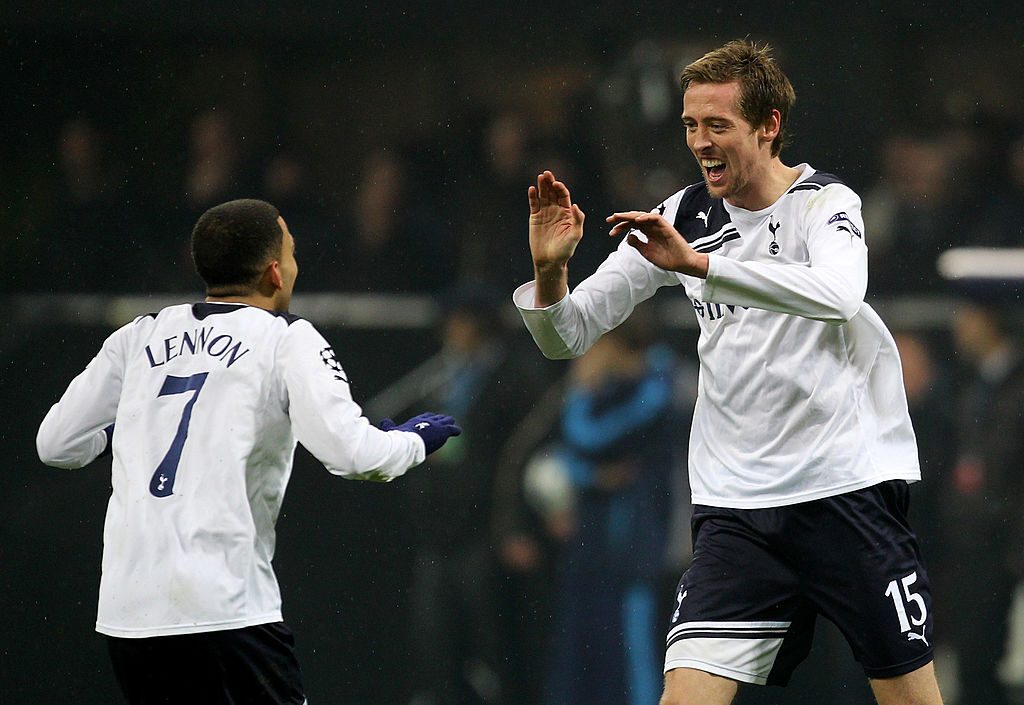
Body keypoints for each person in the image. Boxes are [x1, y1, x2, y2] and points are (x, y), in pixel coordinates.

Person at [513, 39, 944, 705]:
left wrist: (702, 268)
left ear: (768, 126)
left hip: (844, 492)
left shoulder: (824, 204)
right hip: (737, 512)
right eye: (691, 124)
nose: (701, 142)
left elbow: (839, 295)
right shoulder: (682, 217)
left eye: (719, 125)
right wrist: (549, 272)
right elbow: (565, 336)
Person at [35, 198, 462, 705]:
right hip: (227, 608)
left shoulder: (139, 334)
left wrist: (116, 436)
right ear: (275, 273)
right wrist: (413, 440)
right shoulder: (284, 338)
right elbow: (354, 456)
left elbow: (55, 443)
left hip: (130, 616)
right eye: (293, 253)